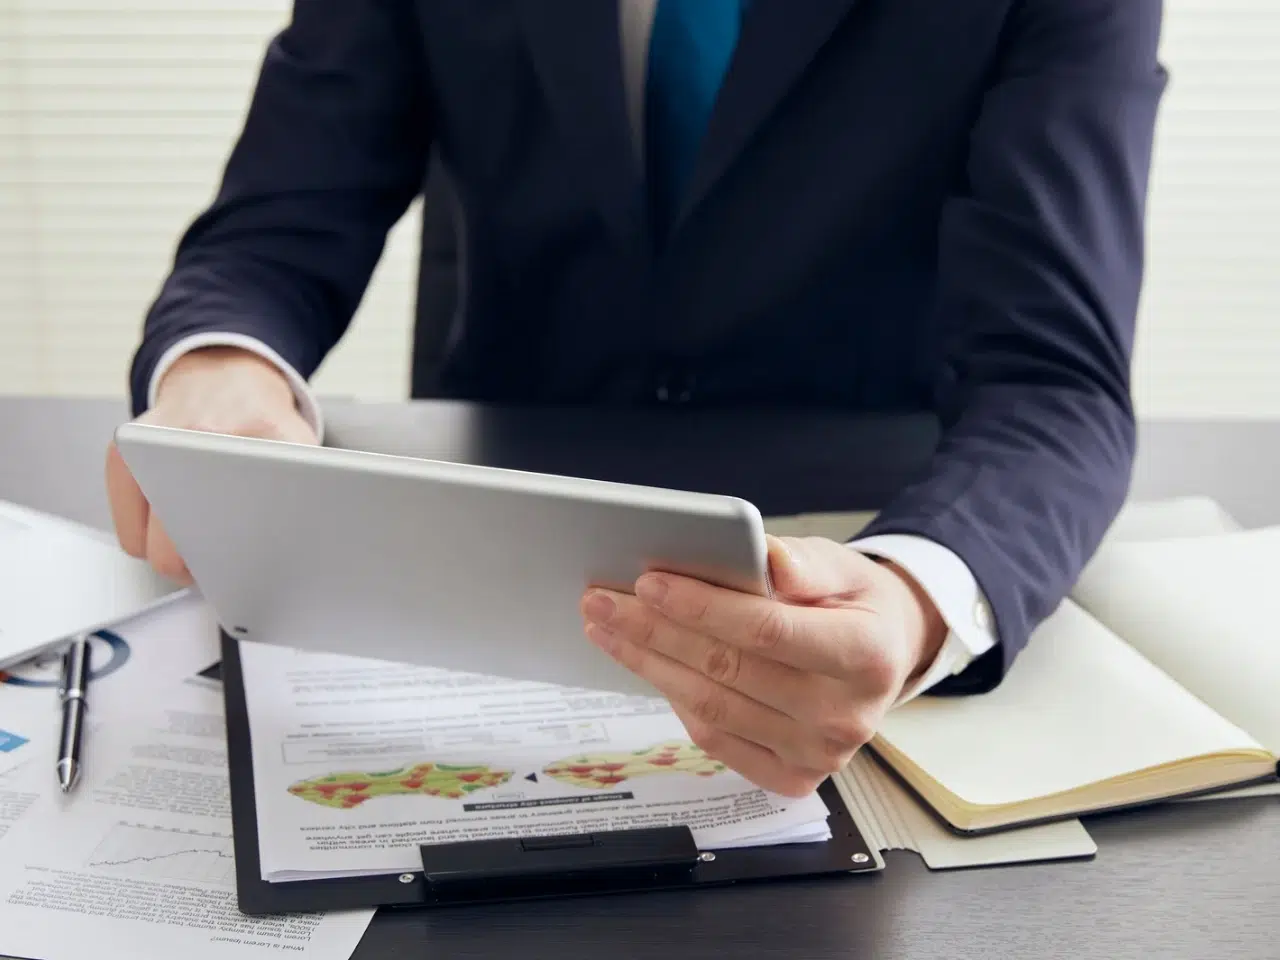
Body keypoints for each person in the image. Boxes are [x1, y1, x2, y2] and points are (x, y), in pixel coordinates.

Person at [106, 0, 1167, 797]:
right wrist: (220, 367)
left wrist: (912, 599)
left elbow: (1052, 380)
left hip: (851, 543)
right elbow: (277, 223)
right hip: (492, 549)